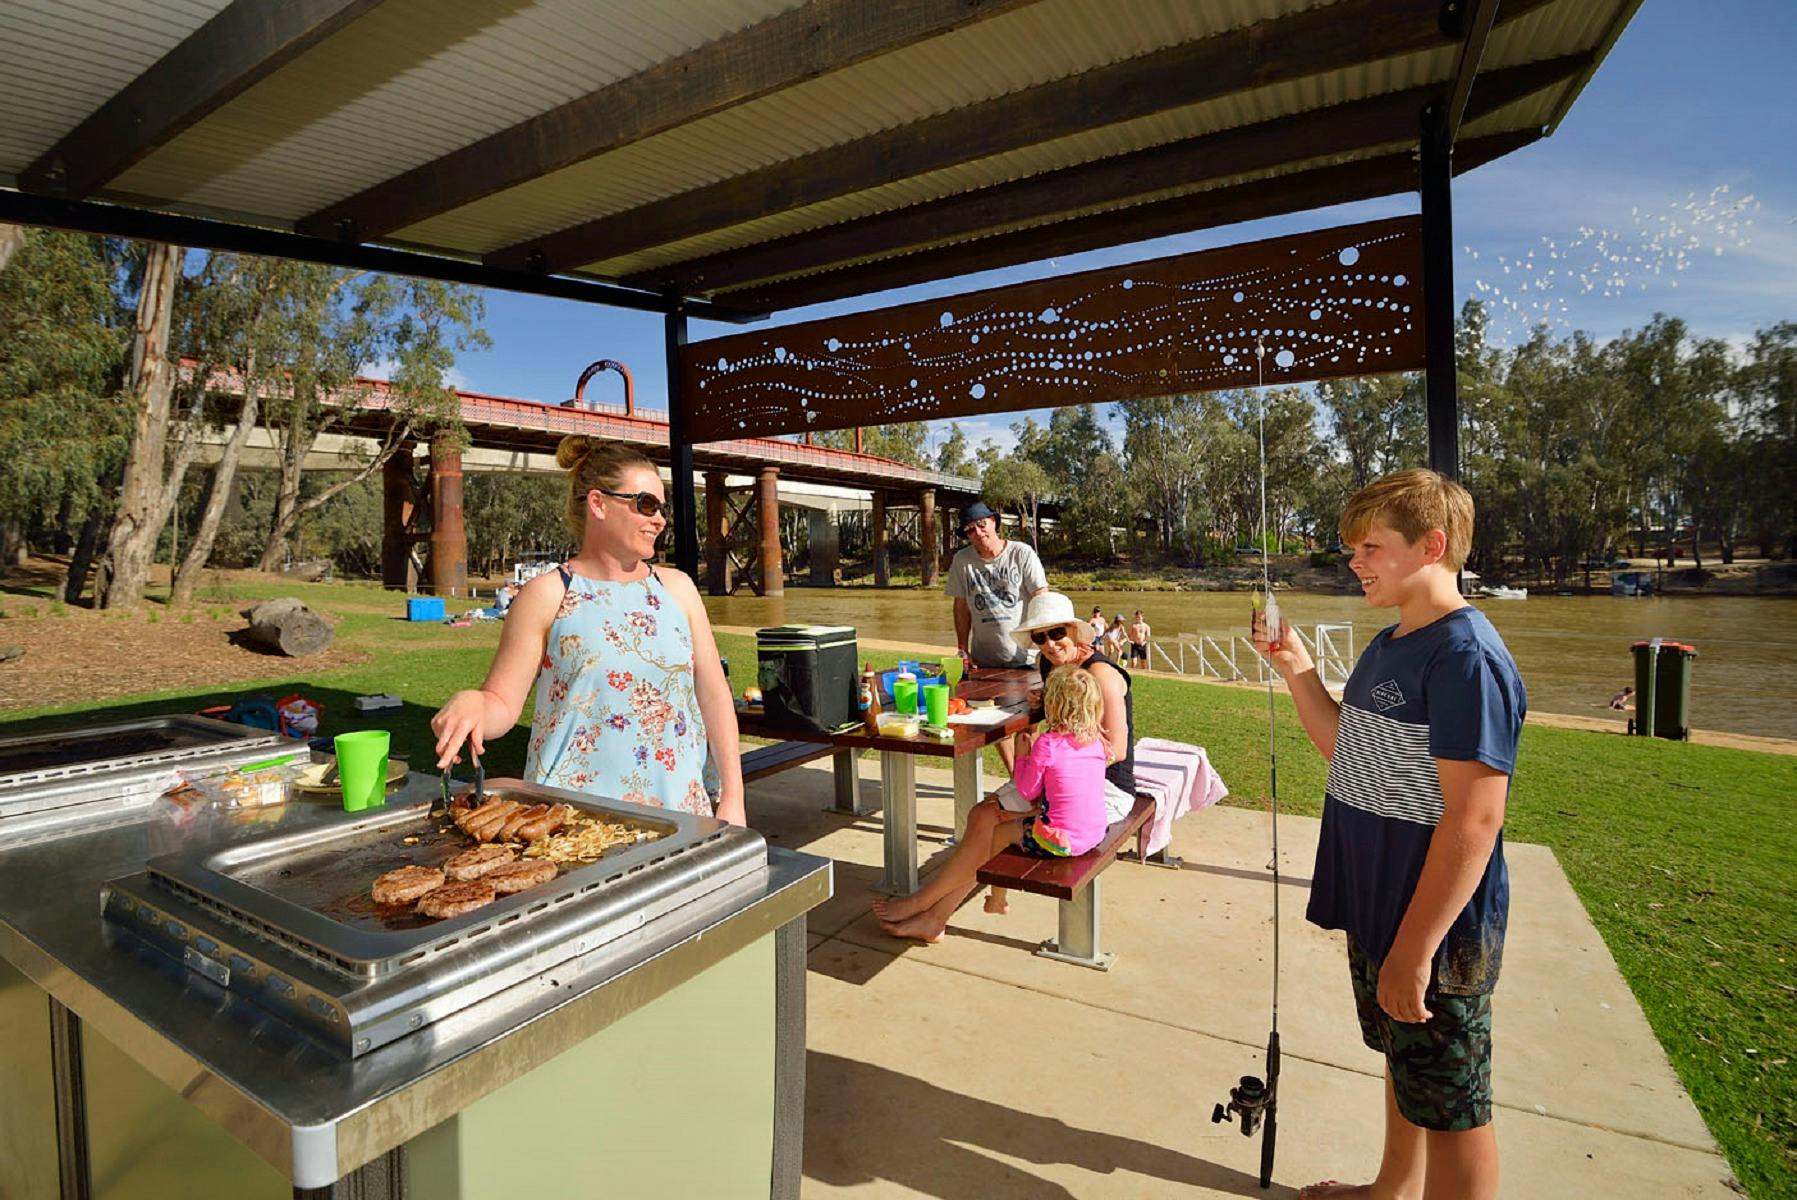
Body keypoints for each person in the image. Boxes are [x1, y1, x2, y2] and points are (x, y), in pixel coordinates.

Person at [1253, 469, 1524, 1200]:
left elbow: (1475, 816)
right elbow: (1349, 747)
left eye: (1370, 547)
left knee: (1455, 1105)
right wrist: (1297, 669)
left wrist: (1414, 948)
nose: (1354, 562)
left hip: (1433, 927)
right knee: (1409, 1066)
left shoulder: (1464, 657)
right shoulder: (1391, 642)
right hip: (1381, 907)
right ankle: (1389, 1191)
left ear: (1431, 546)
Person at [431, 437, 745, 825]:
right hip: (572, 823)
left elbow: (713, 693)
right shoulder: (546, 594)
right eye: (646, 504)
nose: (659, 519)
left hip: (678, 815)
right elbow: (502, 703)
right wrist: (474, 703)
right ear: (598, 503)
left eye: (662, 508)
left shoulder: (678, 589)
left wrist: (733, 796)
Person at [872, 591, 1136, 942]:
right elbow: (1063, 715)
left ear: (1073, 631)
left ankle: (926, 904)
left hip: (1102, 786)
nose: (1049, 644)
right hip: (1066, 773)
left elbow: (1115, 750)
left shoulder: (1101, 674)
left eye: (1056, 633)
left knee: (987, 821)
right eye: (1040, 637)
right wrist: (1044, 706)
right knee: (983, 817)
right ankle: (934, 916)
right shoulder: (1050, 664)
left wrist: (1056, 756)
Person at [945, 500, 1048, 770]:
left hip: (1028, 658)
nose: (978, 533)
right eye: (969, 530)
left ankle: (1031, 781)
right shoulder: (962, 561)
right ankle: (1017, 778)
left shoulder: (1021, 554)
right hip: (985, 661)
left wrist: (1045, 642)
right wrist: (961, 648)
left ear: (994, 522)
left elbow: (1041, 596)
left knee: (1028, 725)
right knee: (993, 722)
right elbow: (960, 606)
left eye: (981, 525)